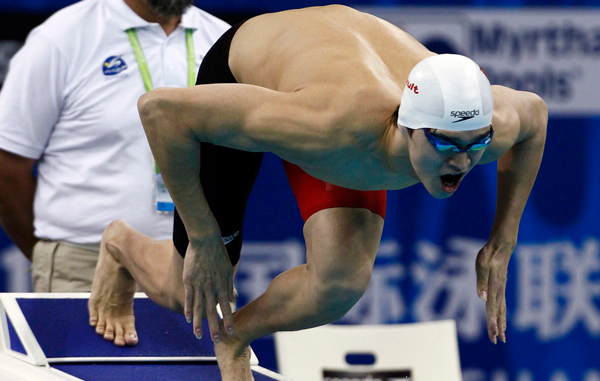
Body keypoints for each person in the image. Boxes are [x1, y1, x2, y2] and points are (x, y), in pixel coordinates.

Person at [87, 5, 547, 380]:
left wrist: (502, 241)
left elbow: (537, 117)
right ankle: (121, 243)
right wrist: (204, 238)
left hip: (340, 86)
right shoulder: (329, 125)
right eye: (445, 143)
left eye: (475, 144)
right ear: (407, 127)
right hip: (254, 72)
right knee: (186, 288)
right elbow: (161, 111)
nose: (462, 161)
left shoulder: (484, 125)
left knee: (341, 282)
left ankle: (234, 335)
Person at [0, 0, 229, 292]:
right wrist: (54, 257)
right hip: (84, 267)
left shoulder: (224, 41)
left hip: (198, 264)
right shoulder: (62, 36)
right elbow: (7, 164)